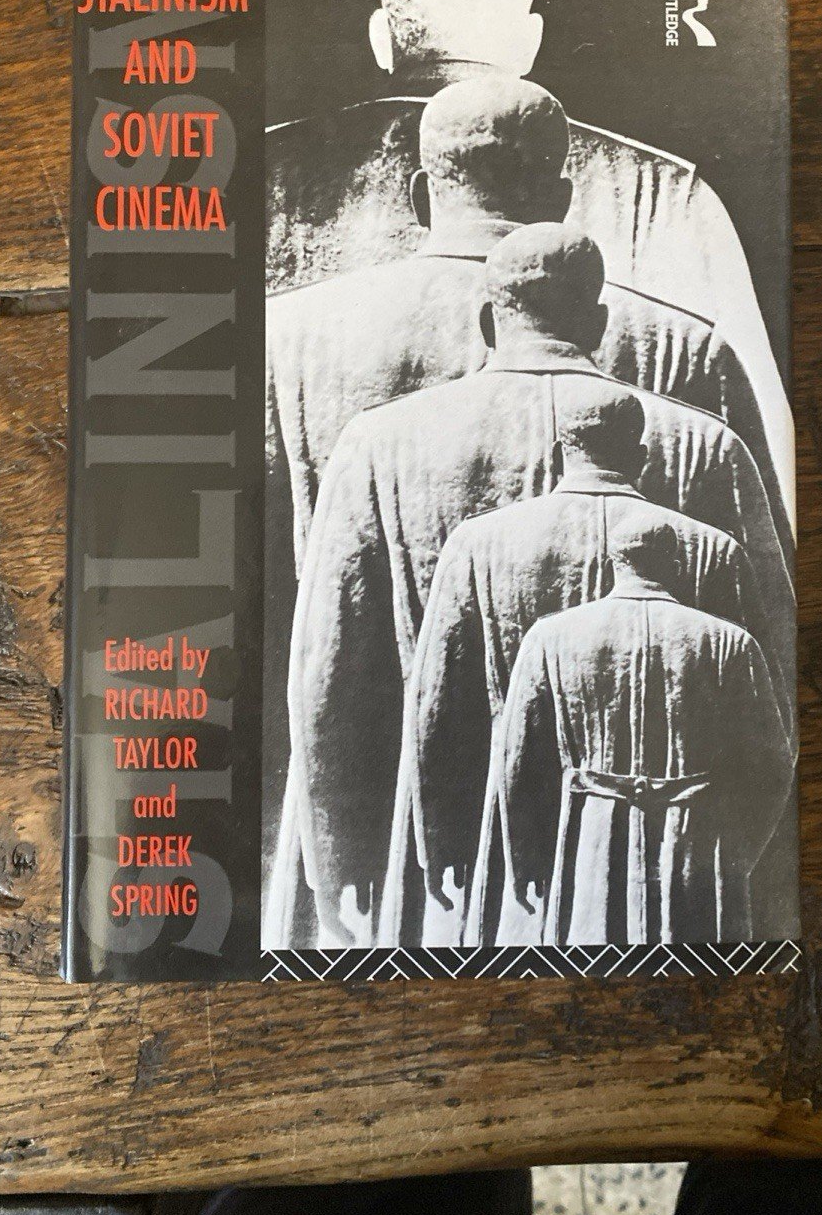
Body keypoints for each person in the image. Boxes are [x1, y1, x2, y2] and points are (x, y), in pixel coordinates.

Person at [263, 77, 788, 935]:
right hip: (635, 858)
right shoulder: (688, 352)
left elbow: (306, 647)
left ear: (421, 193)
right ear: (562, 196)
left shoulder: (290, 338)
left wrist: (336, 862)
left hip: (393, 848)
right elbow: (765, 644)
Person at [266, 0, 795, 528]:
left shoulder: (258, 174)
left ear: (382, 38)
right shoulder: (664, 192)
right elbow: (764, 479)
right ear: (529, 42)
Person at [381, 380, 792, 949]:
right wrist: (733, 851)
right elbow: (766, 733)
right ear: (641, 455)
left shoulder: (477, 544)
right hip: (684, 857)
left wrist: (439, 841)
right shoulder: (715, 550)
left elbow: (436, 713)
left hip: (522, 842)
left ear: (559, 452)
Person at [486, 512, 794, 948]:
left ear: (614, 562)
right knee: (695, 966)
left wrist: (525, 862)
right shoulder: (732, 642)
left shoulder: (549, 637)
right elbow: (773, 767)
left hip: (592, 840)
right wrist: (736, 856)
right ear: (676, 563)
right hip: (696, 844)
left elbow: (517, 764)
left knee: (592, 958)